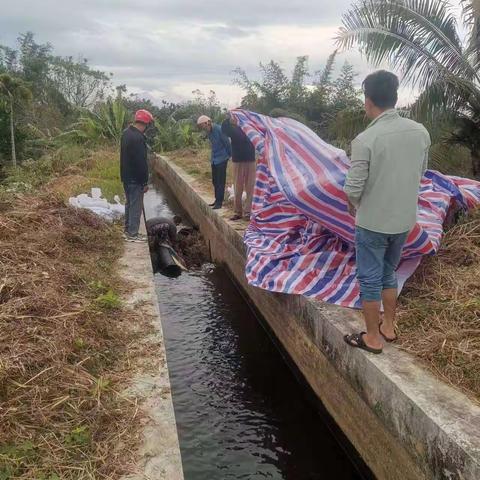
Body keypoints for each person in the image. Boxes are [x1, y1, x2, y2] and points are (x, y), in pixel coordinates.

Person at [343, 70, 430, 354]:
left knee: (369, 278)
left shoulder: (366, 139)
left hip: (373, 222)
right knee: (389, 271)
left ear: (368, 101)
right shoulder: (420, 132)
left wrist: (351, 202)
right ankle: (389, 327)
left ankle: (371, 338)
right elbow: (423, 171)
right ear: (394, 97)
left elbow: (354, 186)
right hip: (403, 219)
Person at [120, 109, 154, 242]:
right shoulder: (138, 138)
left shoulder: (126, 133)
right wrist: (145, 182)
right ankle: (133, 234)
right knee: (136, 206)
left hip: (126, 176)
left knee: (129, 203)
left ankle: (127, 230)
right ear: (146, 123)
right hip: (136, 179)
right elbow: (141, 162)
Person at [221, 115, 256, 221]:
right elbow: (224, 128)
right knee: (238, 187)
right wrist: (228, 118)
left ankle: (248, 212)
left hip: (251, 161)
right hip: (238, 161)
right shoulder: (233, 129)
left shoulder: (251, 129)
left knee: (250, 188)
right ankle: (237, 212)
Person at [197, 115, 231, 209]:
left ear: (207, 123)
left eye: (202, 125)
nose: (202, 128)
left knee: (221, 181)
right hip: (215, 159)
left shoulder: (219, 129)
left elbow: (227, 143)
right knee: (215, 181)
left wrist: (229, 155)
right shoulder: (209, 132)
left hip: (222, 158)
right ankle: (217, 199)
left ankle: (219, 202)